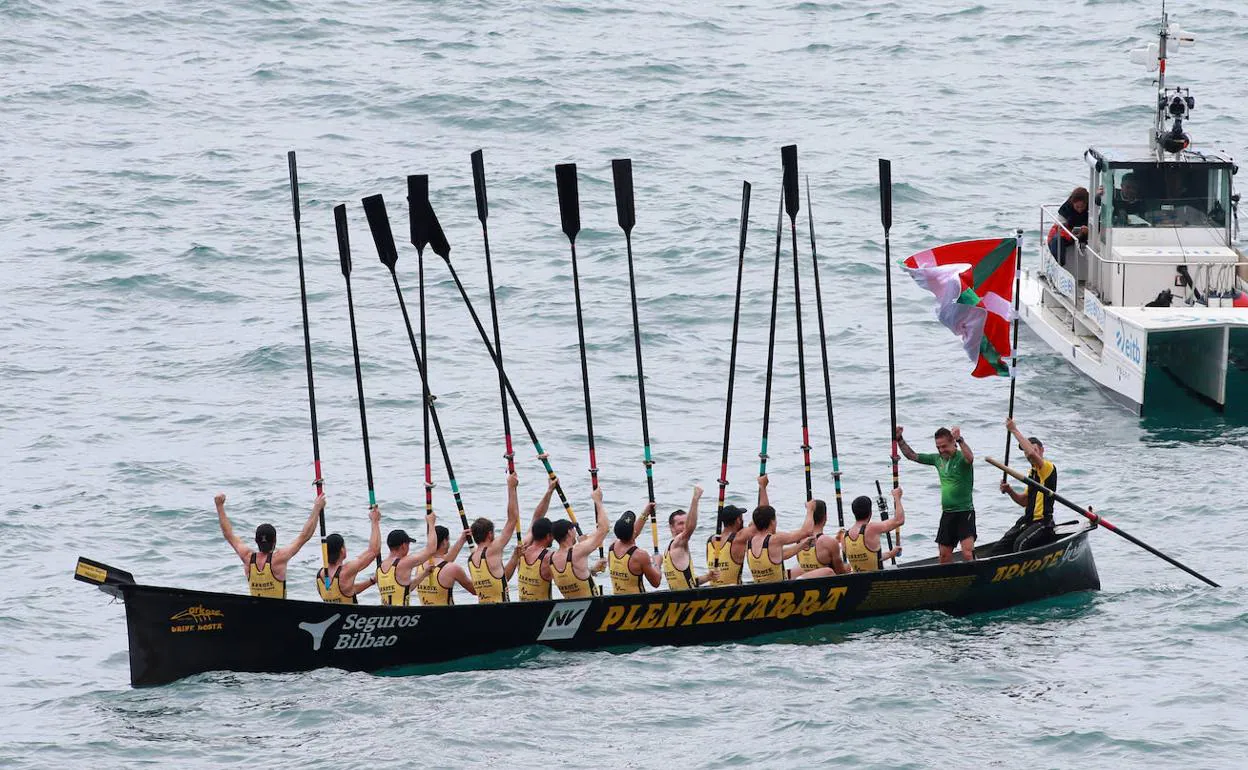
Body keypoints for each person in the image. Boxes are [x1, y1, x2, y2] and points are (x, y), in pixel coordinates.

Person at [214, 492, 324, 598]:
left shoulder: (247, 558)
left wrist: (219, 506)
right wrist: (317, 508)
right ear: (275, 540)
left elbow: (228, 534)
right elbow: (304, 536)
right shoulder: (279, 559)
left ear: (256, 541)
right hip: (279, 612)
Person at [897, 424, 976, 564]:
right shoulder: (936, 459)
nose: (941, 450)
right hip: (947, 513)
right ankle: (949, 582)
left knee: (967, 553)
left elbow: (970, 458)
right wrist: (899, 439)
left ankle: (979, 578)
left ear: (953, 443)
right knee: (944, 556)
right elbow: (912, 456)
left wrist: (960, 440)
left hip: (965, 512)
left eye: (944, 446)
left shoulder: (962, 458)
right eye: (938, 447)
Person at [996, 418, 1058, 554]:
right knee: (1001, 546)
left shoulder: (1048, 467)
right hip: (1028, 521)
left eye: (1033, 449)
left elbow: (1031, 453)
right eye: (1024, 452)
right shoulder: (1032, 473)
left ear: (1042, 450)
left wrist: (1013, 430)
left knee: (1020, 545)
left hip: (1043, 523)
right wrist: (1010, 490)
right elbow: (1024, 501)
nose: (1028, 455)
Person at [745, 475, 816, 583]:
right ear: (772, 522)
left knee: (797, 570)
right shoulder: (776, 539)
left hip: (760, 588)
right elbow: (807, 532)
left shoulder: (751, 539)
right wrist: (810, 510)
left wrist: (762, 487)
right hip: (777, 591)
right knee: (826, 572)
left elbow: (780, 555)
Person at [467, 471, 521, 604]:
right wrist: (511, 488)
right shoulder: (493, 550)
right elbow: (512, 519)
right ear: (490, 534)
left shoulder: (471, 559)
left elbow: (503, 579)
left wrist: (515, 557)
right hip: (502, 612)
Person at [824, 489, 905, 574]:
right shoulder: (871, 528)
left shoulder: (844, 537)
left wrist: (892, 553)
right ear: (870, 513)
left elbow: (870, 558)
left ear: (854, 512)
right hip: (876, 582)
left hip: (857, 581)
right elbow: (899, 520)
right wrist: (897, 498)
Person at [549, 487, 610, 598]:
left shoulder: (551, 558)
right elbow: (604, 529)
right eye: (573, 530)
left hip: (572, 610)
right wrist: (598, 502)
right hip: (593, 608)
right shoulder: (577, 551)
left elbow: (575, 574)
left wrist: (592, 570)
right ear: (569, 532)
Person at [316, 504, 382, 604]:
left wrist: (371, 581)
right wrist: (375, 521)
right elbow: (374, 551)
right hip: (351, 618)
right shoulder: (346, 571)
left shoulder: (320, 576)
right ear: (342, 550)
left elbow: (349, 590)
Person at [661, 485, 720, 591]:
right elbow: (689, 529)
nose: (684, 526)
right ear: (671, 527)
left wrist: (708, 577)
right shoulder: (677, 544)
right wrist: (695, 499)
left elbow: (690, 582)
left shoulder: (671, 549)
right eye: (680, 523)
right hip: (684, 602)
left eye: (686, 522)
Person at [375, 512, 440, 607]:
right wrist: (431, 524)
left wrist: (424, 574)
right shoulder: (404, 563)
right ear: (404, 546)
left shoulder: (379, 568)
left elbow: (405, 590)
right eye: (408, 545)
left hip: (387, 618)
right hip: (403, 616)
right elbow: (431, 550)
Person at [516, 476, 560, 602]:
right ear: (548, 536)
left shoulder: (522, 548)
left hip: (522, 607)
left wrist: (550, 490)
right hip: (542, 611)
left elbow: (536, 517)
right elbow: (570, 575)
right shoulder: (548, 557)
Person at [412, 526, 475, 605]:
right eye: (448, 540)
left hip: (426, 615)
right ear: (445, 542)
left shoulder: (419, 564)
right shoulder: (453, 568)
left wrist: (462, 540)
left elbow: (443, 565)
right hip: (447, 615)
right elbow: (476, 591)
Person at [608, 502, 661, 595]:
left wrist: (646, 513)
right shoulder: (640, 556)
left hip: (617, 601)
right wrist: (657, 562)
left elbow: (631, 534)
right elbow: (656, 582)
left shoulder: (612, 547)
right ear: (633, 532)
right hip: (637, 603)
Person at [794, 499, 850, 576]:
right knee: (847, 567)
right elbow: (841, 573)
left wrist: (835, 542)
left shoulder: (799, 539)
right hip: (826, 585)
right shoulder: (828, 542)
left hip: (806, 581)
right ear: (825, 517)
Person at [705, 502, 754, 587]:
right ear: (738, 520)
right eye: (741, 518)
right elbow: (761, 524)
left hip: (712, 590)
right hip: (734, 591)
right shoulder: (738, 539)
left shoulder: (710, 540)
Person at [1049, 186, 1089, 267]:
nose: (1080, 209)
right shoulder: (1065, 209)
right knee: (1057, 240)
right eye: (1077, 207)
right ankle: (1058, 265)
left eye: (1082, 207)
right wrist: (1074, 234)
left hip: (1089, 235)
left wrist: (1089, 231)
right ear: (1072, 203)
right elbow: (1060, 226)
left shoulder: (1093, 207)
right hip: (1070, 234)